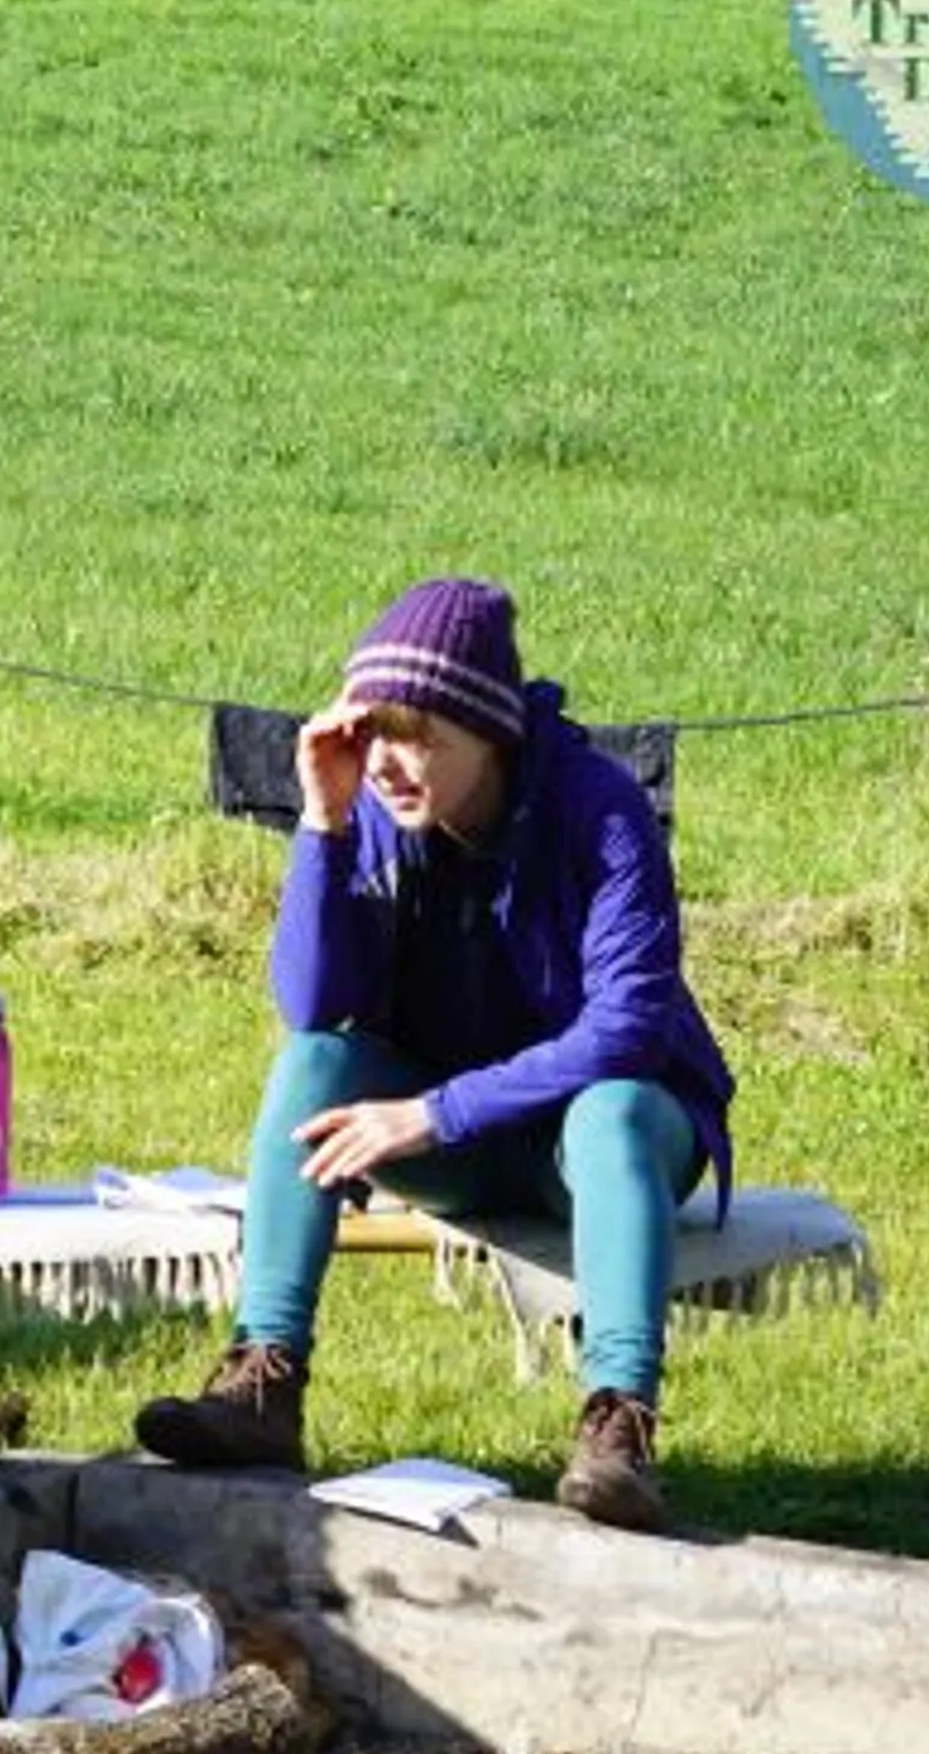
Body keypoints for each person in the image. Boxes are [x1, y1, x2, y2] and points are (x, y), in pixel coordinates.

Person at [132, 576, 734, 1531]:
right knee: (314, 1065)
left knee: (612, 1106)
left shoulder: (604, 813)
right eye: (372, 731)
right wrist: (321, 826)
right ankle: (262, 1382)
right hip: (460, 1138)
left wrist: (431, 1114)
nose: (386, 762)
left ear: (489, 734)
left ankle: (619, 1424)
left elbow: (627, 1030)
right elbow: (315, 1004)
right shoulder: (366, 804)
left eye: (419, 738)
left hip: (608, 1143)